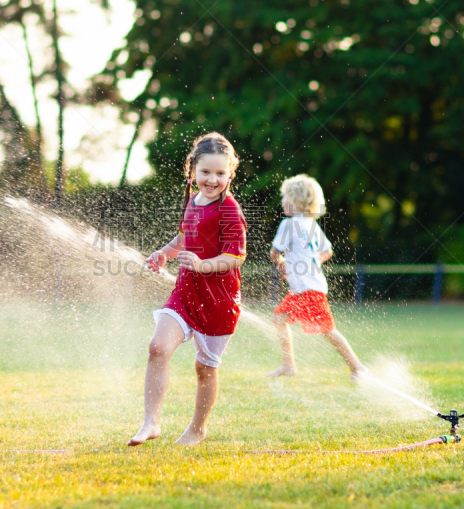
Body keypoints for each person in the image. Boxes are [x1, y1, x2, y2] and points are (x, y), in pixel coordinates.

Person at [128, 132, 247, 447]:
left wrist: (202, 264)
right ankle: (151, 422)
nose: (212, 179)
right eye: (206, 172)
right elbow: (182, 239)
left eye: (220, 173)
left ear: (230, 174)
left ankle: (197, 428)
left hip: (220, 301)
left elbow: (236, 257)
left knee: (204, 368)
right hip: (185, 292)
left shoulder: (230, 210)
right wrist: (163, 254)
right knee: (157, 347)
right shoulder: (192, 201)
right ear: (192, 170)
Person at [266, 174, 366, 380]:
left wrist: (283, 263)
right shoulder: (311, 224)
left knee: (327, 330)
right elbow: (327, 251)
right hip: (307, 287)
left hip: (307, 289)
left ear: (297, 200)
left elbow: (274, 253)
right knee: (279, 318)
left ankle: (357, 367)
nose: (283, 201)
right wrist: (312, 263)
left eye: (285, 197)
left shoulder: (289, 224)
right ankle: (288, 365)